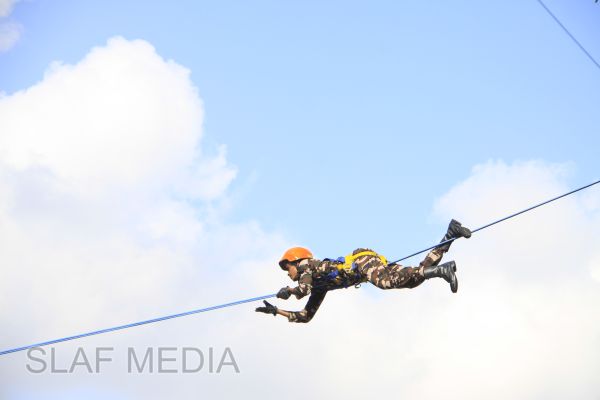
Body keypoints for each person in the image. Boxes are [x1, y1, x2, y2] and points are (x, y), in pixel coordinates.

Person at [255, 219, 471, 323]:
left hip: (362, 262)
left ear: (296, 262)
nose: (288, 273)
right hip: (366, 265)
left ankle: (441, 271)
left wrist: (288, 291)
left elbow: (302, 289)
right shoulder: (319, 286)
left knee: (385, 283)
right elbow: (306, 316)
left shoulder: (306, 267)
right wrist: (277, 311)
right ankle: (450, 235)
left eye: (288, 268)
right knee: (414, 279)